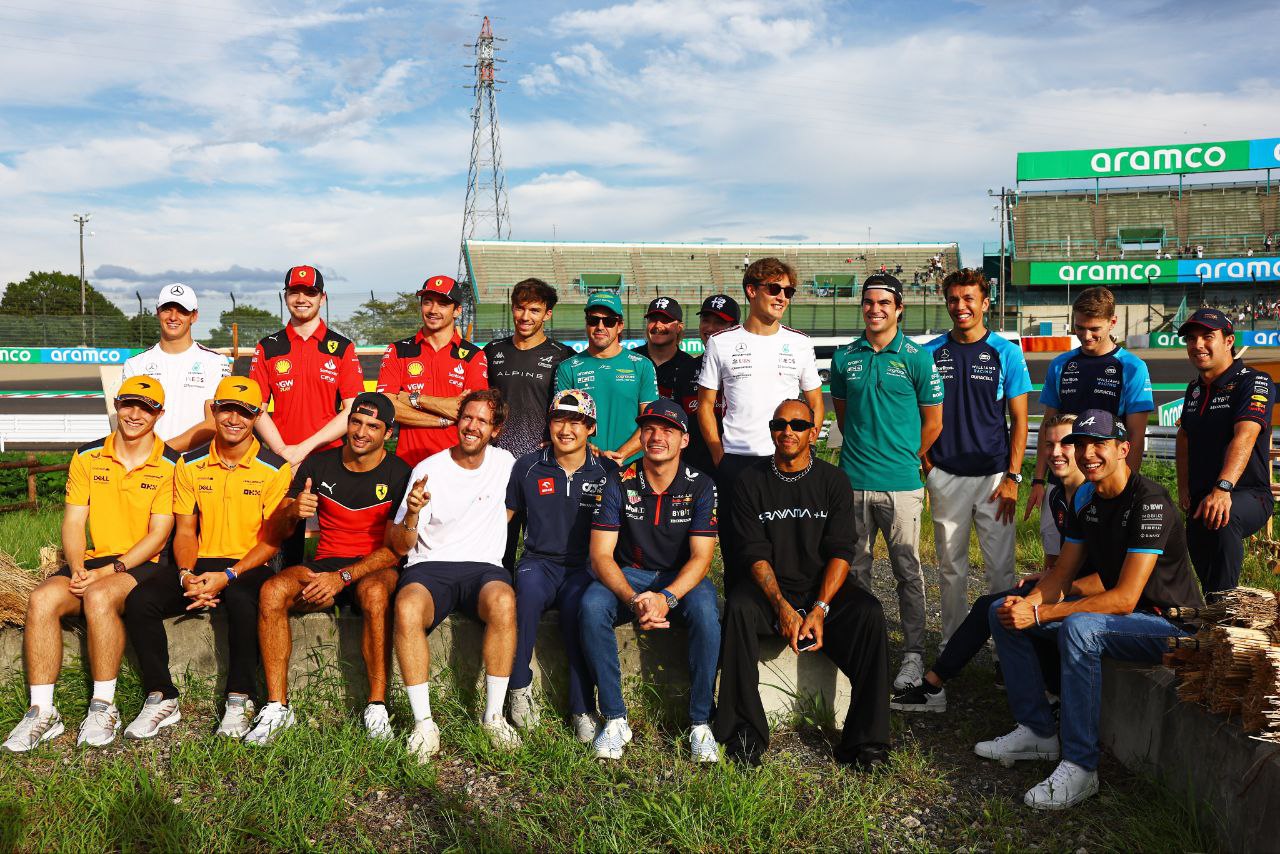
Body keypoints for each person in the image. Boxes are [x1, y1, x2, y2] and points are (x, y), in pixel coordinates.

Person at [976, 409, 1204, 809]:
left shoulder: (1151, 502)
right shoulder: (1089, 500)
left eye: (1099, 444)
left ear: (1123, 449)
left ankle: (1081, 766)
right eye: (1080, 444)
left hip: (1172, 627)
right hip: (1124, 622)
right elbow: (1061, 573)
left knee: (1079, 627)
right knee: (1002, 610)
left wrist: (1042, 614)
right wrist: (1026, 606)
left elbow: (1125, 598)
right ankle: (1039, 731)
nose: (1087, 453)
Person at [2, 378, 177, 752]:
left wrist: (106, 572)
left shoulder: (171, 463)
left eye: (146, 407)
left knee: (98, 597)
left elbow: (158, 536)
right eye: (128, 404)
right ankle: (42, 711)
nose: (134, 414)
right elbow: (73, 522)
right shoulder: (87, 456)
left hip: (146, 562)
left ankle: (103, 706)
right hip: (95, 559)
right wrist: (79, 565)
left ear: (159, 414)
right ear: (117, 405)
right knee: (42, 599)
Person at [715, 400, 891, 770]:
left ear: (813, 432)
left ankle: (866, 744)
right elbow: (753, 552)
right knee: (739, 608)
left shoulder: (833, 480)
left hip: (820, 590)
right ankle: (744, 733)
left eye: (798, 424)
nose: (788, 431)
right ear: (771, 430)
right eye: (780, 424)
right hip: (771, 592)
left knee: (870, 614)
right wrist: (781, 605)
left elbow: (842, 551)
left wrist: (820, 609)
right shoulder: (750, 481)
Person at [122, 377, 291, 740]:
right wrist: (185, 575)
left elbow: (272, 541)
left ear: (257, 416)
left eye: (245, 412)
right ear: (213, 410)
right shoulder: (189, 463)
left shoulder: (275, 468)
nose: (234, 419)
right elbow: (184, 531)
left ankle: (239, 697)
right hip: (199, 562)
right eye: (227, 409)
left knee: (246, 601)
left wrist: (229, 576)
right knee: (140, 601)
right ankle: (161, 696)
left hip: (249, 564)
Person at [244, 393, 412, 744]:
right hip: (325, 563)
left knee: (375, 593)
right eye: (356, 422)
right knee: (271, 590)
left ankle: (377, 707)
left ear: (389, 432)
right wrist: (291, 511)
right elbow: (276, 533)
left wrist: (343, 578)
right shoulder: (317, 466)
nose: (361, 432)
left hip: (373, 567)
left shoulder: (400, 473)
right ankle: (277, 708)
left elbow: (396, 549)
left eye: (373, 426)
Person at [892, 414, 1083, 713]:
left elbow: (1106, 575)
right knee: (990, 604)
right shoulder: (1056, 494)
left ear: (1084, 447)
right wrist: (1045, 578)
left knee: (1004, 607)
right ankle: (934, 685)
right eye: (1049, 444)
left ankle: (1040, 712)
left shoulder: (1095, 496)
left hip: (1096, 596)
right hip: (1068, 585)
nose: (1056, 452)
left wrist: (1038, 599)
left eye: (1067, 444)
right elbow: (1059, 564)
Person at [580, 399, 720, 762]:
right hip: (631, 572)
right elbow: (600, 555)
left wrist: (667, 598)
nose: (657, 437)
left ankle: (701, 723)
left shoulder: (701, 484)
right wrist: (635, 599)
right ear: (641, 435)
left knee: (707, 612)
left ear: (684, 441)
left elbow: (702, 557)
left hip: (679, 574)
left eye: (668, 430)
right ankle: (614, 719)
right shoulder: (618, 480)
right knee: (592, 605)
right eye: (650, 429)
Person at [390, 389, 519, 760]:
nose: (472, 426)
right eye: (467, 417)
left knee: (504, 600)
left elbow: (516, 503)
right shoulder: (428, 469)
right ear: (457, 419)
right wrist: (412, 513)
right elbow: (400, 544)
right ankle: (423, 723)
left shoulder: (506, 463)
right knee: (408, 607)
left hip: (483, 568)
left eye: (482, 420)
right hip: (431, 568)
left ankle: (493, 717)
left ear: (495, 430)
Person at [830, 273, 944, 691]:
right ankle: (859, 647)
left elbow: (933, 423)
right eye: (868, 302)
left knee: (908, 571)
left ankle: (913, 654)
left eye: (883, 303)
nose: (874, 309)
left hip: (901, 485)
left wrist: (901, 456)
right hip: (853, 482)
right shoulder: (845, 359)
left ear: (898, 309)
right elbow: (845, 419)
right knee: (853, 571)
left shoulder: (917, 357)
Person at [697, 259, 823, 589]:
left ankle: (788, 623)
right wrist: (718, 456)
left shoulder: (799, 342)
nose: (783, 296)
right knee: (739, 552)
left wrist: (805, 448)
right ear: (752, 291)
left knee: (787, 550)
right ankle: (740, 626)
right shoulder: (720, 342)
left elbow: (816, 403)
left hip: (787, 463)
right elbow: (706, 405)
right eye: (775, 289)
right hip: (736, 463)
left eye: (789, 291)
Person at [923, 269, 1031, 650]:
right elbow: (917, 415)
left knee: (1000, 571)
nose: (961, 306)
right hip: (945, 475)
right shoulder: (929, 353)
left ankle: (1007, 651)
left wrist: (1013, 477)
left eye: (969, 299)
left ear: (985, 303)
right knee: (952, 569)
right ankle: (953, 646)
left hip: (994, 478)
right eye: (953, 299)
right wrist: (927, 466)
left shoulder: (1007, 352)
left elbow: (1020, 420)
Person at [504, 390, 615, 742]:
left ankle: (582, 707)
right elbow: (505, 521)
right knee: (525, 598)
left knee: (579, 611)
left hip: (585, 566)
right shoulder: (527, 466)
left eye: (576, 422)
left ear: (591, 429)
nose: (566, 429)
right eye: (558, 419)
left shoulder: (608, 471)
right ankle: (519, 689)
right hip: (539, 562)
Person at [249, 265, 365, 566]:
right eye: (295, 291)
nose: (302, 298)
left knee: (338, 548)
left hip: (330, 460)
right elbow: (256, 408)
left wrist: (302, 450)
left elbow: (351, 409)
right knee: (279, 548)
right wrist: (283, 453)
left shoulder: (341, 347)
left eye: (310, 292)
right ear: (285, 295)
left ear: (322, 298)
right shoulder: (268, 347)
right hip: (280, 462)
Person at [1175, 308, 1275, 594]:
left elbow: (1245, 436)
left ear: (1229, 341)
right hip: (1204, 497)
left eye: (1208, 337)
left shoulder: (1254, 381)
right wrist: (1184, 489)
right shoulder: (1193, 389)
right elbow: (1184, 437)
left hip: (1247, 493)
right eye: (1191, 339)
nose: (1198, 345)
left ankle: (1226, 612)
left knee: (1221, 518)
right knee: (1204, 569)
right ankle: (1214, 619)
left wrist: (1223, 487)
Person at [1028, 287, 1153, 514]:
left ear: (1112, 322)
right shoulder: (1060, 364)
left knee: (1102, 549)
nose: (1086, 336)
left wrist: (1127, 489)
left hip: (1108, 482)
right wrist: (1038, 480)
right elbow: (1048, 428)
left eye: (1095, 329)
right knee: (1057, 549)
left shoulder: (1133, 367)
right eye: (1080, 327)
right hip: (1062, 479)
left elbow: (1135, 435)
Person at [483, 278, 571, 574]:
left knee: (541, 548)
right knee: (498, 546)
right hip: (498, 466)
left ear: (548, 314)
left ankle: (541, 604)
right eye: (520, 308)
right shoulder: (492, 351)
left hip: (541, 464)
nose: (525, 316)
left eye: (534, 310)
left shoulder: (563, 356)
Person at [377, 275, 489, 468]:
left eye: (443, 304)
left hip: (456, 465)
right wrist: (442, 420)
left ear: (457, 311)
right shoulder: (398, 350)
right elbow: (387, 407)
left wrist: (413, 399)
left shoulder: (473, 355)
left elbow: (468, 411)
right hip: (408, 464)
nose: (433, 310)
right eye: (427, 302)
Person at [120, 283, 230, 451]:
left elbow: (214, 423)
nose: (173, 317)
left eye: (182, 311)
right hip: (148, 465)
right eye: (167, 309)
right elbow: (131, 419)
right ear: (157, 313)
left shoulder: (215, 362)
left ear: (194, 316)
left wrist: (162, 452)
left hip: (197, 467)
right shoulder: (135, 364)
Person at [554, 291, 657, 463]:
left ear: (620, 325)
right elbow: (564, 422)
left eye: (609, 321)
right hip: (584, 464)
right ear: (586, 323)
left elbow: (651, 420)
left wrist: (621, 454)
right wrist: (588, 448)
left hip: (631, 465)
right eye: (594, 320)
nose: (600, 327)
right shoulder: (568, 368)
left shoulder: (641, 365)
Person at [635, 296, 711, 472]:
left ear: (679, 327)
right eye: (653, 319)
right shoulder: (631, 361)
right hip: (632, 454)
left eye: (666, 320)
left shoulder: (689, 366)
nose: (658, 325)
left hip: (673, 458)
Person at [685, 294, 740, 474]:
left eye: (719, 322)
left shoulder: (747, 368)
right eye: (705, 320)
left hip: (740, 463)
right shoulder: (686, 369)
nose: (710, 328)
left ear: (735, 327)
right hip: (694, 469)